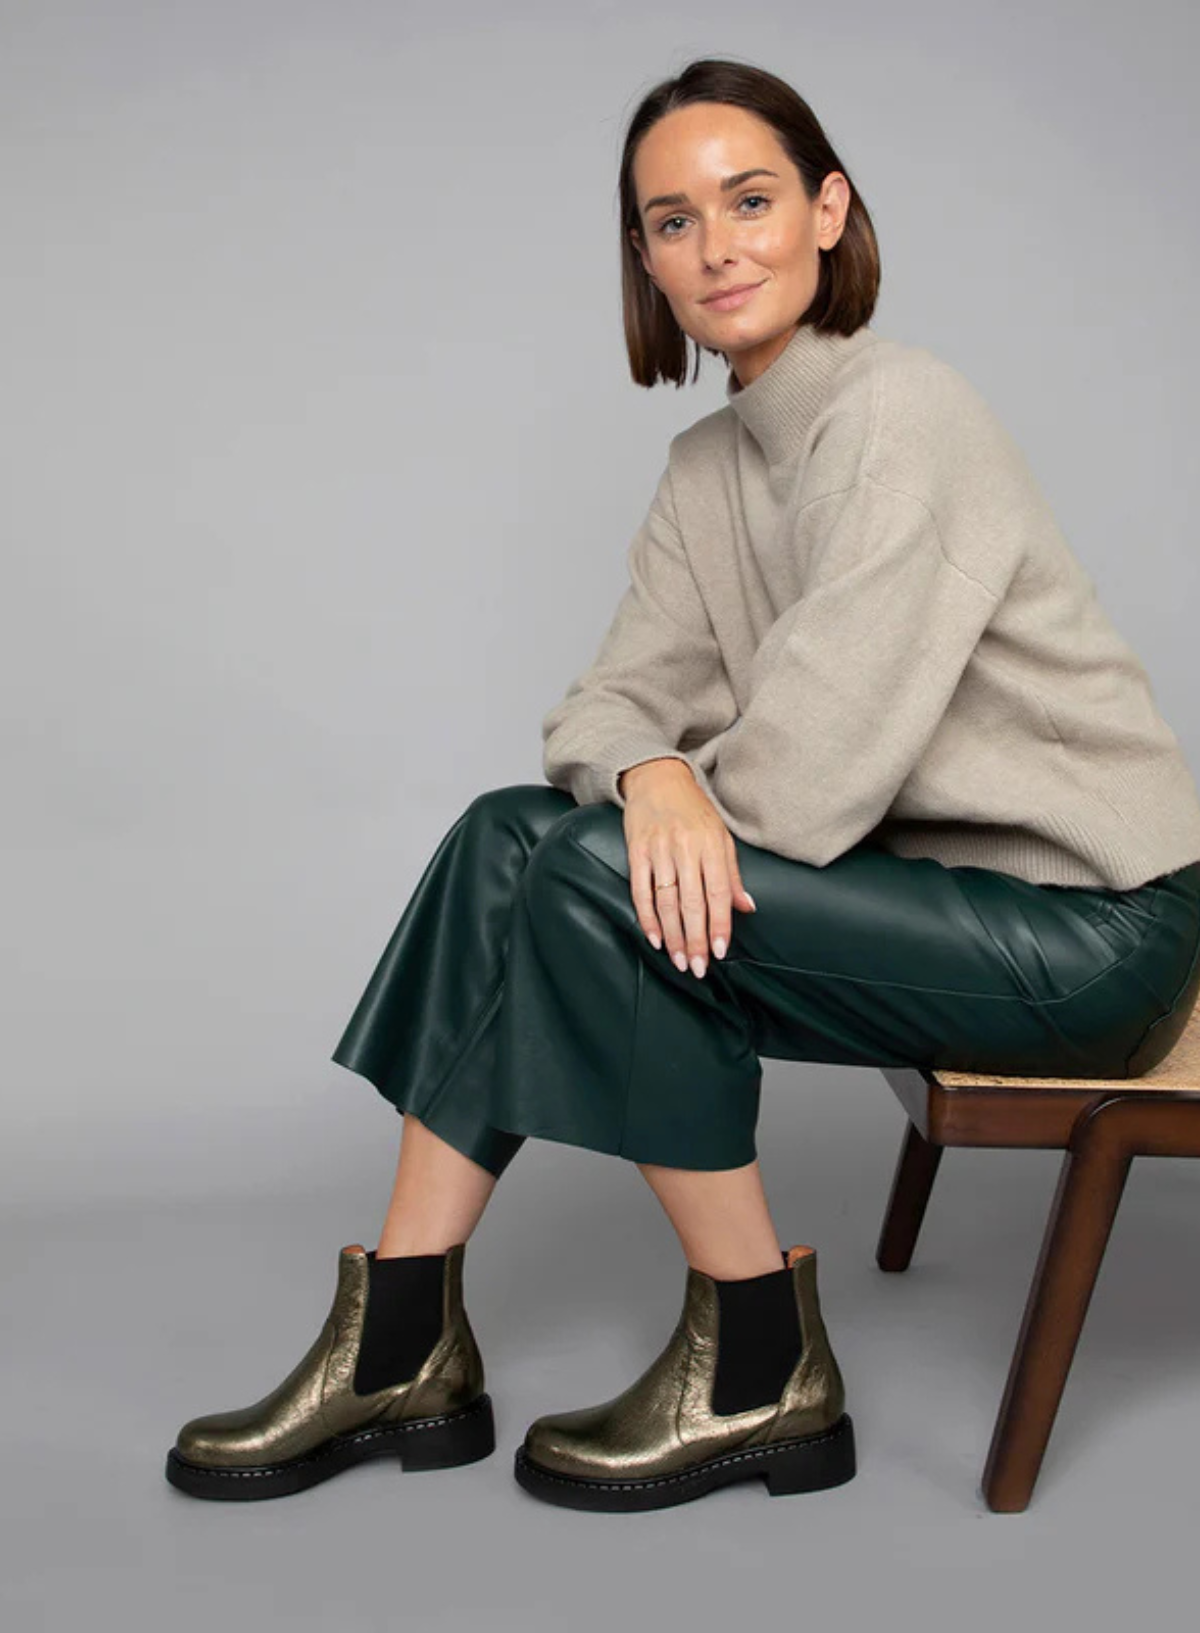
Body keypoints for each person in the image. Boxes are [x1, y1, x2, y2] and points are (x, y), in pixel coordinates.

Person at [164, 58, 1200, 1513]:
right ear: (643, 256)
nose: (716, 247)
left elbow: (814, 781)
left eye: (753, 199)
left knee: (592, 874)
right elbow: (605, 702)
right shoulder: (711, 465)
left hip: (1091, 931)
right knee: (508, 840)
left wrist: (656, 797)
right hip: (940, 906)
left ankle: (760, 1363)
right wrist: (646, 764)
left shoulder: (905, 418)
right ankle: (401, 1337)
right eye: (670, 220)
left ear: (829, 212)